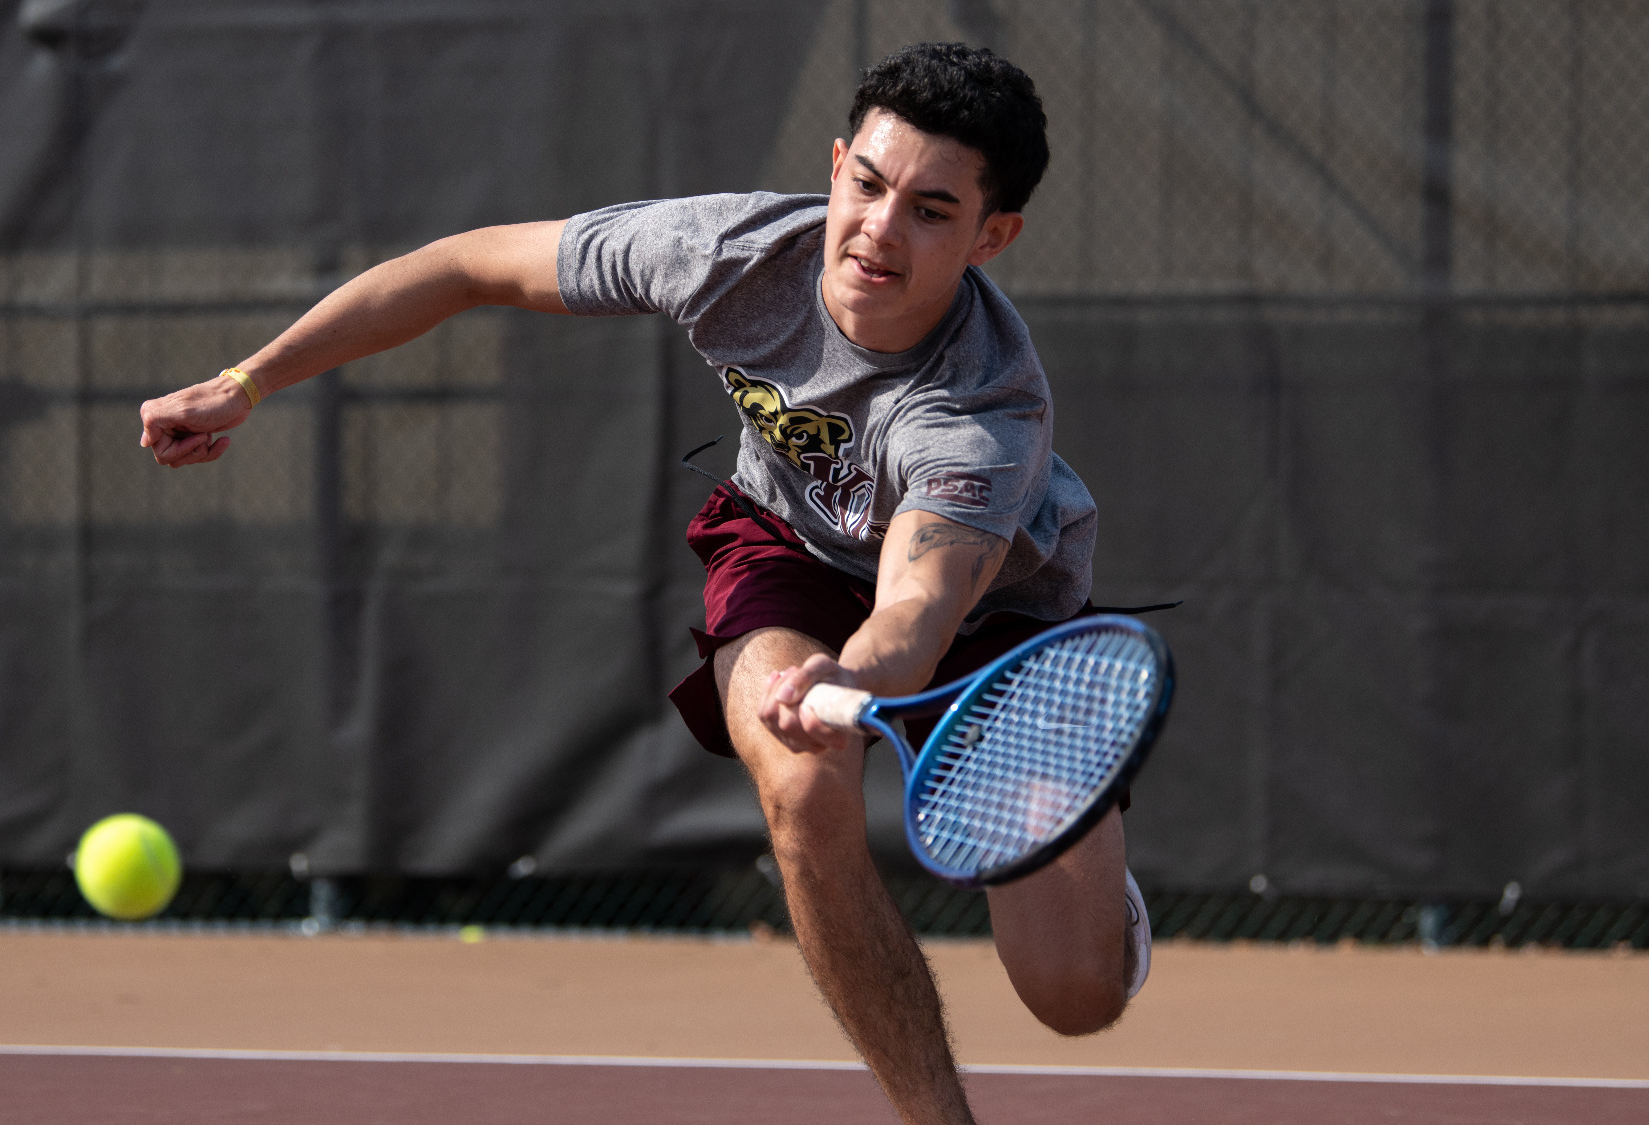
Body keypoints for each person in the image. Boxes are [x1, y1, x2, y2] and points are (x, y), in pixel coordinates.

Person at [139, 42, 1148, 1125]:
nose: (877, 231)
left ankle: (1101, 905)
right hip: (788, 552)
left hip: (997, 622)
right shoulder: (720, 250)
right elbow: (465, 265)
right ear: (838, 161)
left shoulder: (977, 415)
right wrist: (249, 380)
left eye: (931, 211)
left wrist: (845, 677)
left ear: (992, 237)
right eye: (865, 183)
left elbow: (918, 604)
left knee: (1072, 1001)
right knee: (801, 790)